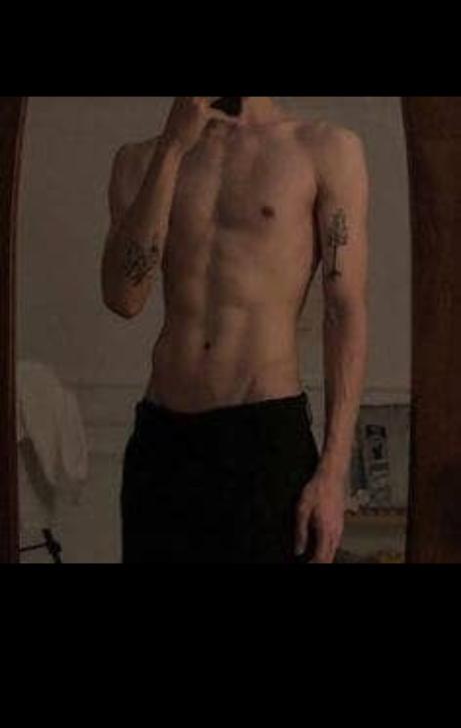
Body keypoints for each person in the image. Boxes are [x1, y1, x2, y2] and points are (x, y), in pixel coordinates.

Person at [101, 97, 369, 564]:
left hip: (263, 436)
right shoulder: (139, 160)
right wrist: (172, 148)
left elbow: (344, 312)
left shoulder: (322, 149)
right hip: (163, 440)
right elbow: (124, 297)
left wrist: (333, 471)